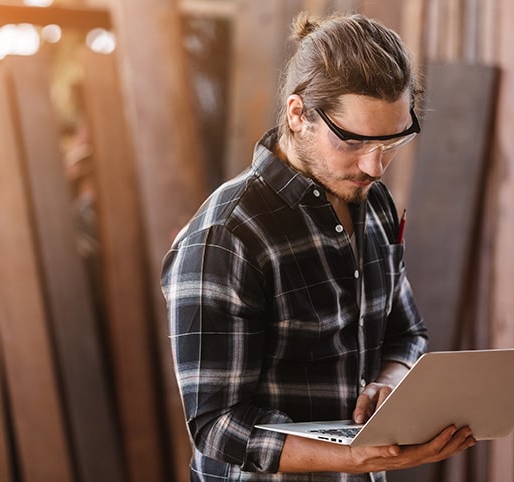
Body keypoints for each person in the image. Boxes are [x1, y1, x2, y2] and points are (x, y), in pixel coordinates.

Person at [161, 11, 475, 481]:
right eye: (352, 140)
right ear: (297, 113)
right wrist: (352, 456)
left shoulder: (375, 202)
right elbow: (216, 426)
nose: (375, 166)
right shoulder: (226, 238)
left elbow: (405, 333)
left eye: (392, 140)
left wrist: (389, 383)